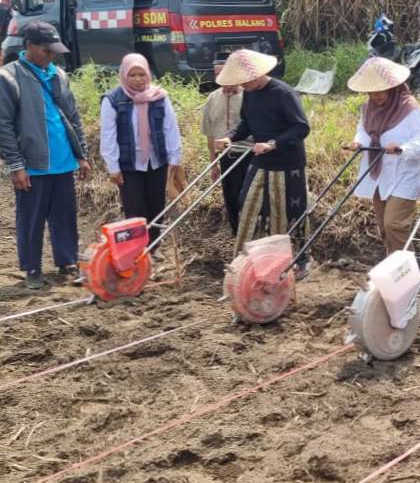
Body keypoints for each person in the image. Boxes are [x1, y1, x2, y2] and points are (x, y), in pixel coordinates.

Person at [0, 21, 90, 289]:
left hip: (63, 160)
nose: (51, 56)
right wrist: (16, 165)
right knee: (31, 217)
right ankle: (32, 268)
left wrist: (82, 155)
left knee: (64, 215)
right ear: (29, 46)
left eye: (54, 51)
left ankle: (67, 262)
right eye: (45, 50)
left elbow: (73, 117)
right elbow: (3, 124)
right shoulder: (9, 77)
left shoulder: (59, 75)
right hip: (33, 162)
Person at [213, 50, 311, 275]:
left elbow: (301, 127)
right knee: (246, 203)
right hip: (260, 160)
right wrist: (230, 137)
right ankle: (242, 260)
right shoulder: (250, 93)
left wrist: (273, 143)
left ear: (256, 74)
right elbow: (247, 122)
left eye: (244, 81)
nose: (242, 85)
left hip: (287, 163)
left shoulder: (283, 93)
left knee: (287, 212)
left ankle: (298, 259)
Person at [347, 57, 420, 254]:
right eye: (371, 92)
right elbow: (363, 130)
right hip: (378, 172)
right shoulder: (368, 109)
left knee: (395, 224)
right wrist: (358, 141)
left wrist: (403, 148)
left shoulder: (408, 107)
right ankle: (393, 270)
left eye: (380, 92)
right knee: (384, 227)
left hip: (405, 173)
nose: (376, 97)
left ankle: (406, 271)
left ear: (392, 87)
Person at [100, 53, 183, 251]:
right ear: (123, 76)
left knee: (156, 207)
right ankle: (137, 251)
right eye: (132, 75)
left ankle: (153, 248)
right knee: (135, 209)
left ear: (148, 75)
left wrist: (175, 158)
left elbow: (171, 128)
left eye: (142, 74)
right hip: (129, 164)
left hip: (156, 162)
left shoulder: (160, 97)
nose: (138, 80)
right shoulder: (113, 100)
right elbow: (108, 135)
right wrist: (113, 167)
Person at [200, 53, 250, 234]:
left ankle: (253, 232)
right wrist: (213, 164)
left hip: (248, 155)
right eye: (217, 75)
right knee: (231, 199)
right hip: (226, 157)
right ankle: (237, 234)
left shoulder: (249, 96)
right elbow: (210, 135)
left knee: (249, 198)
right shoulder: (213, 98)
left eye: (225, 74)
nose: (222, 80)